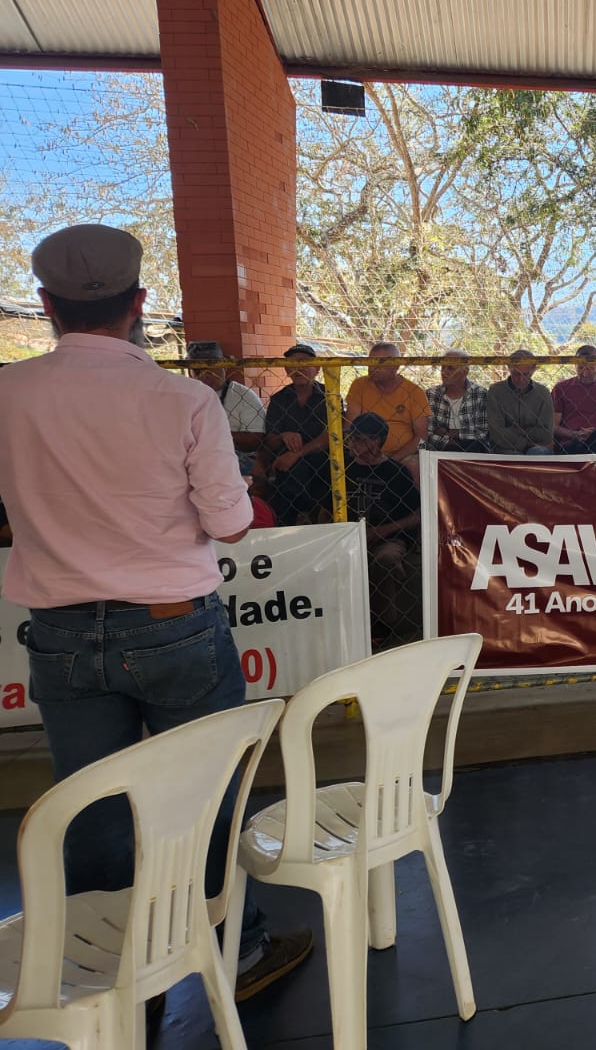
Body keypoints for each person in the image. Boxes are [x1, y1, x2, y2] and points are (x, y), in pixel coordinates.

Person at [0, 225, 311, 1005]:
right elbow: (231, 523)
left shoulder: (8, 393)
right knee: (202, 794)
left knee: (89, 805)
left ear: (46, 305)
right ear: (139, 303)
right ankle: (236, 951)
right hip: (175, 627)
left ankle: (109, 972)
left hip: (60, 633)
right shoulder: (185, 400)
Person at [345, 412, 423, 642]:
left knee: (385, 559)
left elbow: (417, 515)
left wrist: (384, 530)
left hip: (388, 536)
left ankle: (381, 625)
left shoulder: (395, 472)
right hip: (347, 533)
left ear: (375, 441)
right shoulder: (344, 468)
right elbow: (324, 507)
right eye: (352, 439)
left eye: (359, 439)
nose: (353, 444)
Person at [263, 343, 335, 525]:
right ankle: (302, 517)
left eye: (304, 363)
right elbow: (270, 440)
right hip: (287, 460)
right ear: (286, 370)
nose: (298, 368)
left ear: (317, 368)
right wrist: (283, 435)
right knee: (289, 468)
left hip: (321, 456)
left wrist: (297, 454)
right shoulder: (279, 399)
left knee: (296, 467)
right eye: (292, 364)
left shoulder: (330, 396)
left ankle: (301, 516)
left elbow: (331, 436)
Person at [346, 341, 429, 472]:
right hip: (363, 451)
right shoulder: (359, 385)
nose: (373, 367)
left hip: (401, 456)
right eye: (370, 362)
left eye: (379, 362)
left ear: (396, 366)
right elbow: (350, 425)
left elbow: (422, 436)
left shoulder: (414, 392)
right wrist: (360, 449)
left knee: (413, 466)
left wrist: (391, 461)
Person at [189, 339, 266, 475]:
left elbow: (255, 439)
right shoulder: (184, 397)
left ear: (225, 368)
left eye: (212, 369)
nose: (206, 376)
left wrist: (212, 436)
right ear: (191, 373)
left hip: (233, 455)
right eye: (198, 370)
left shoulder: (242, 395)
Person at [486, 348, 555, 455]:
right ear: (509, 368)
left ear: (533, 370)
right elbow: (496, 432)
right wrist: (528, 442)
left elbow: (546, 434)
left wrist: (517, 430)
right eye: (516, 374)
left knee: (539, 454)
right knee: (513, 456)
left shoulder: (543, 393)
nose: (521, 379)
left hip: (536, 448)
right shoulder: (496, 391)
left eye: (526, 374)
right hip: (505, 448)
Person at [424, 348, 491, 453]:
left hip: (473, 450)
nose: (444, 372)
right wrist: (449, 442)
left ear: (465, 372)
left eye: (450, 368)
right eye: (442, 367)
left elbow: (483, 433)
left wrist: (450, 433)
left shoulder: (480, 394)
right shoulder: (431, 394)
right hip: (440, 450)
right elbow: (427, 433)